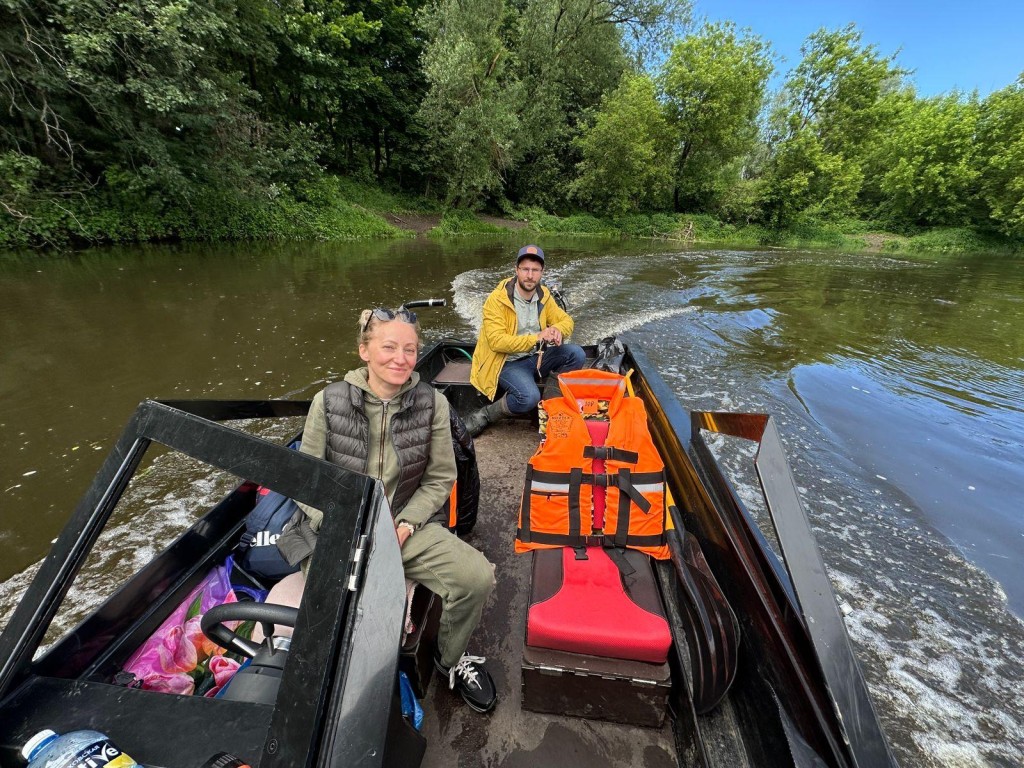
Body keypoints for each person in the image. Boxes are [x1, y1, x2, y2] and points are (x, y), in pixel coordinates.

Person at [274, 307, 498, 713]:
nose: (401, 358)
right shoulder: (329, 401)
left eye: (410, 350)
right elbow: (305, 480)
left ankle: (450, 662)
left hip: (404, 526)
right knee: (346, 615)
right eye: (389, 347)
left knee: (476, 577)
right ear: (364, 350)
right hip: (337, 530)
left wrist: (407, 524)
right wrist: (341, 524)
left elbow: (440, 477)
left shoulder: (433, 404)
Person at [465, 244, 586, 436]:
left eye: (535, 270)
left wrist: (556, 329)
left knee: (576, 353)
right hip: (506, 362)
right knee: (528, 397)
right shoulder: (496, 300)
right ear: (517, 270)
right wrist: (538, 337)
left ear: (541, 272)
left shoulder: (544, 295)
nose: (530, 275)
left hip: (536, 357)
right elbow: (497, 342)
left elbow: (566, 320)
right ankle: (486, 415)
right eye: (525, 269)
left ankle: (550, 404)